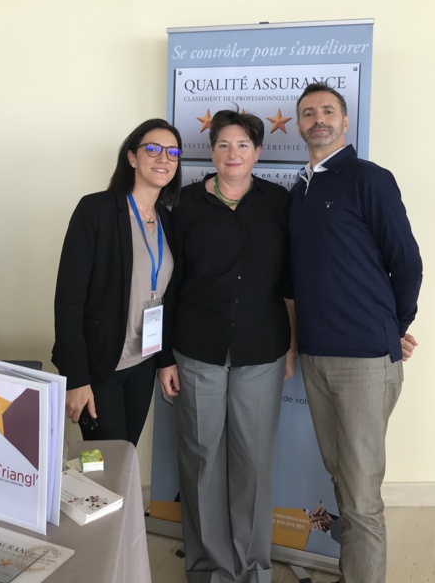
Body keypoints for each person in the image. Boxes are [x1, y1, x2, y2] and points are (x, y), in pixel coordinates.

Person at [289, 83, 422, 583]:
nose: (318, 119)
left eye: (328, 111)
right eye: (308, 113)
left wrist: (393, 327)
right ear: (299, 125)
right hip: (315, 356)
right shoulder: (299, 190)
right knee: (342, 477)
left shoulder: (370, 179)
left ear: (345, 122)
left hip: (365, 359)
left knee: (362, 497)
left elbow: (407, 263)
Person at [158, 109, 296, 583]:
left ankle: (252, 569)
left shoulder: (278, 202)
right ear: (211, 151)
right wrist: (163, 358)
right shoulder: (185, 203)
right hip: (197, 350)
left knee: (253, 466)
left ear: (258, 152)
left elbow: (289, 281)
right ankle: (209, 569)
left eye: (242, 145)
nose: (232, 153)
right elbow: (170, 285)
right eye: (223, 144)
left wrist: (291, 345)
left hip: (262, 350)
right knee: (202, 462)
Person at [52, 118, 182, 445]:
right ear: (132, 157)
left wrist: (164, 360)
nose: (163, 158)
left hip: (144, 362)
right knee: (104, 463)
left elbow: (165, 299)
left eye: (172, 152)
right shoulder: (96, 210)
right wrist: (76, 378)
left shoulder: (167, 219)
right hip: (100, 367)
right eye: (153, 149)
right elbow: (68, 299)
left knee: (125, 456)